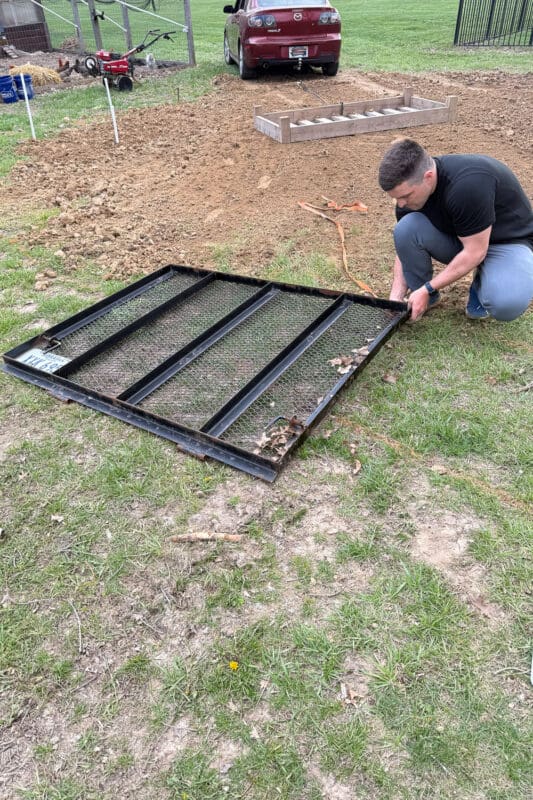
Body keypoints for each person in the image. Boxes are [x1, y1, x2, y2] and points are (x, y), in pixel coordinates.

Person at [378, 138, 533, 322]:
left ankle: (481, 285)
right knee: (405, 228)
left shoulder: (467, 186)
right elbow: (403, 246)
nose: (401, 203)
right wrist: (396, 296)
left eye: (405, 196)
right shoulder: (409, 197)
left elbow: (475, 252)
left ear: (428, 177)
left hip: (507, 242)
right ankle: (425, 298)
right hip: (463, 238)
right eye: (396, 198)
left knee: (507, 304)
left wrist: (429, 287)